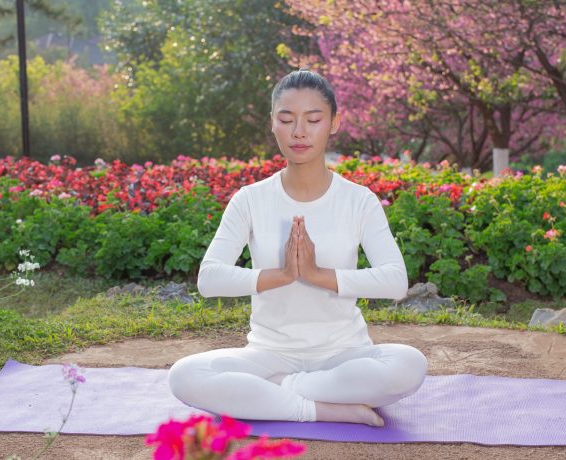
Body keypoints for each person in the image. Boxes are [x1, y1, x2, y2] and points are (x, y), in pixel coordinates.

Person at [167, 68, 428, 426]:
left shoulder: (358, 200)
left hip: (344, 355)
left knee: (409, 365)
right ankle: (319, 408)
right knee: (184, 376)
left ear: (334, 123)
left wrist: (317, 275)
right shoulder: (250, 199)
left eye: (313, 119)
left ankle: (278, 391)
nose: (299, 131)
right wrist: (283, 275)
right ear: (273, 123)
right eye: (287, 119)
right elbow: (209, 279)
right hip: (270, 354)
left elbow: (395, 281)